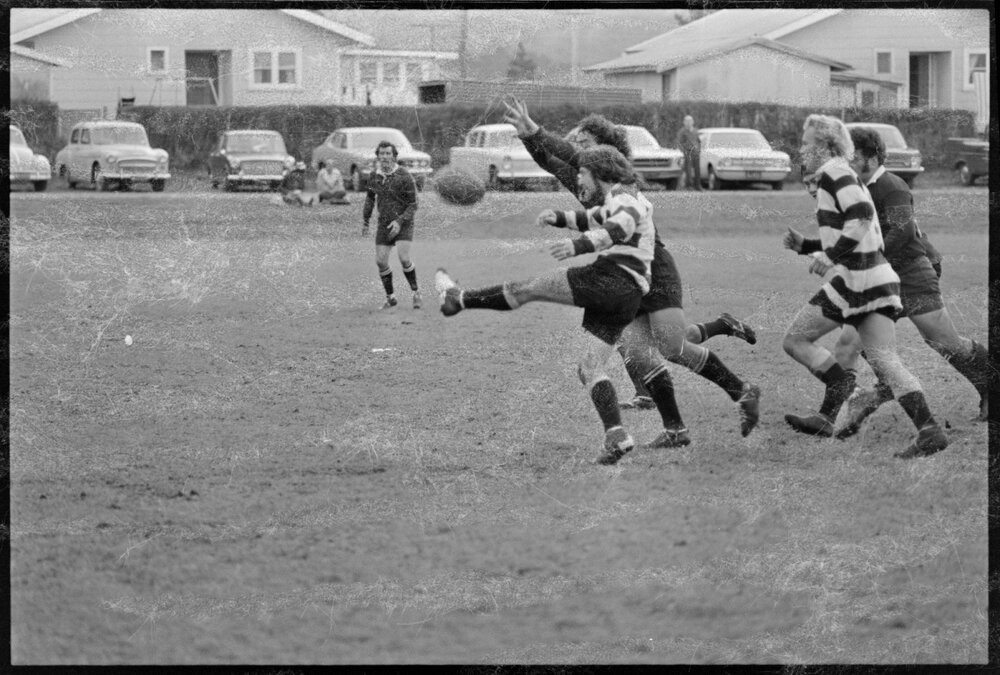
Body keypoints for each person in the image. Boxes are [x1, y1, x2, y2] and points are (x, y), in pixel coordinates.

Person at [503, 97, 760, 446]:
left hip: (655, 268)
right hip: (622, 273)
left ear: (605, 150)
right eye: (577, 142)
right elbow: (550, 161)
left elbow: (567, 153)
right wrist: (527, 137)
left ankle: (742, 391)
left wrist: (535, 129)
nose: (577, 148)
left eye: (584, 142)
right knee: (637, 351)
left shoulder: (621, 179)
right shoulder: (587, 179)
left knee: (673, 346)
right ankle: (676, 430)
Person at [435, 146, 655, 464]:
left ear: (599, 173)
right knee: (590, 367)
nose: (578, 178)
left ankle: (457, 299)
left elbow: (620, 226)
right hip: (628, 295)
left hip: (612, 278)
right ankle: (616, 436)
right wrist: (559, 218)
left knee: (525, 289)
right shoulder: (619, 197)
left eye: (583, 173)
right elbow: (592, 218)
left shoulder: (624, 198)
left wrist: (579, 245)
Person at [785, 126, 989, 432]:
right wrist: (814, 248)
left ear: (871, 158)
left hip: (912, 275)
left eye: (854, 157)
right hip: (876, 281)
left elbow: (901, 233)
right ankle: (832, 415)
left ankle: (991, 388)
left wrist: (852, 257)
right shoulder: (853, 188)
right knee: (849, 344)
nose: (847, 163)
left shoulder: (892, 185)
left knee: (945, 343)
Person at [362, 141, 422, 309]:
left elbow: (414, 204)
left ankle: (416, 293)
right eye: (382, 153)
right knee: (380, 261)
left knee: (404, 258)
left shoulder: (404, 175)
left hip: (404, 222)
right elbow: (369, 199)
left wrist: (399, 221)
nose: (385, 156)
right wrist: (366, 221)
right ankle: (391, 298)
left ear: (394, 156)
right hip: (384, 224)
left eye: (388, 153)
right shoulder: (374, 176)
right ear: (378, 156)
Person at [676, 115, 702, 191]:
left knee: (697, 170)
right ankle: (689, 186)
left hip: (696, 153)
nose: (688, 123)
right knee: (688, 170)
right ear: (684, 122)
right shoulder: (682, 132)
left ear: (693, 122)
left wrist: (699, 150)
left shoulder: (696, 131)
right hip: (687, 153)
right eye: (687, 121)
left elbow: (699, 141)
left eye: (690, 121)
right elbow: (679, 143)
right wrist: (684, 152)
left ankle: (698, 185)